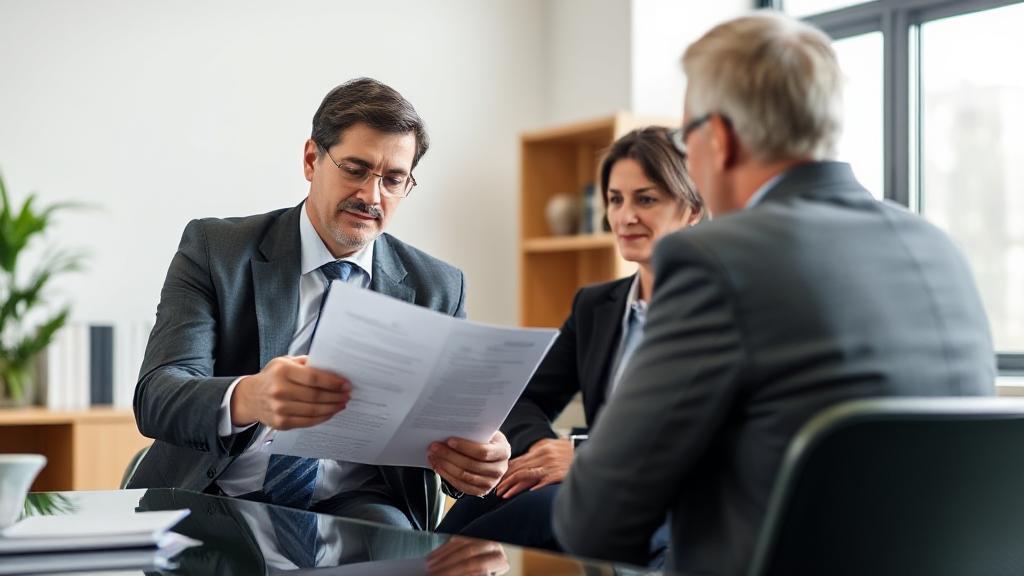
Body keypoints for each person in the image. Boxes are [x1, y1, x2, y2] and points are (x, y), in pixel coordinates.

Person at [553, 12, 997, 576]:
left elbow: (595, 518)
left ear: (719, 140)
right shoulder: (939, 249)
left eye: (687, 138)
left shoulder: (715, 258)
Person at [128, 77, 511, 531]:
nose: (372, 196)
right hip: (219, 497)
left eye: (393, 180)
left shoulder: (439, 287)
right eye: (355, 169)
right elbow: (157, 395)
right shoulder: (217, 250)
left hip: (360, 507)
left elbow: (446, 434)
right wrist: (250, 397)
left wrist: (475, 462)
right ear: (312, 159)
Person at [438, 127, 703, 560]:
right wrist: (545, 449)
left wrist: (583, 457)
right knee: (486, 495)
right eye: (616, 199)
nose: (625, 216)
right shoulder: (597, 306)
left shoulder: (723, 311)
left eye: (646, 199)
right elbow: (523, 399)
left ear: (692, 209)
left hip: (672, 506)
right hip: (593, 494)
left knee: (537, 509)